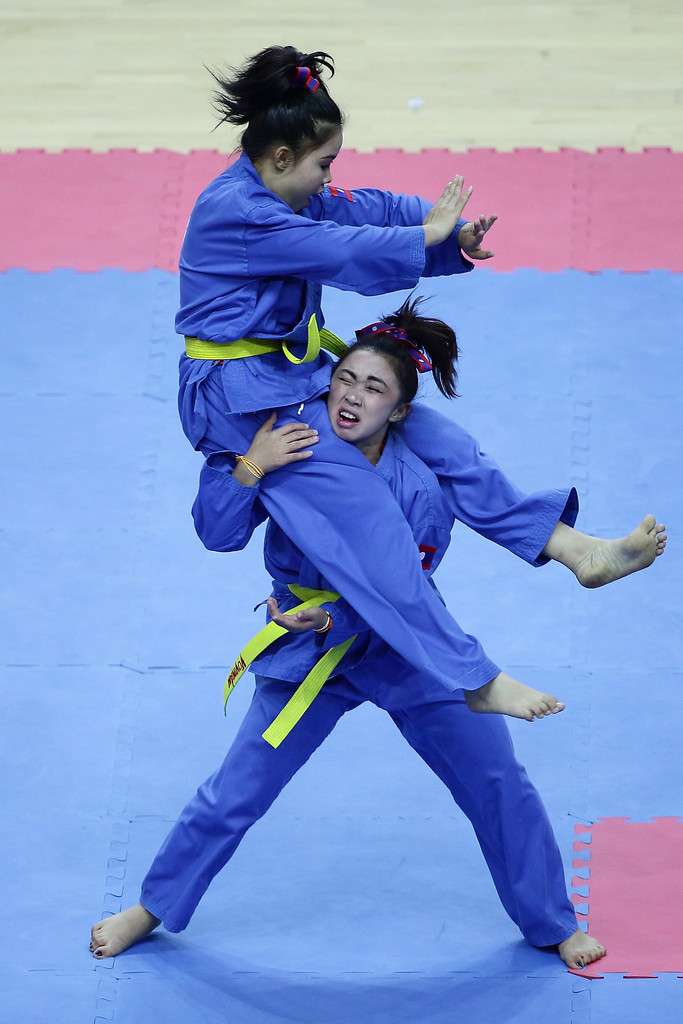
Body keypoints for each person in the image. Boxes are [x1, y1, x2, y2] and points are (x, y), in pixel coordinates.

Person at [91, 300, 664, 966]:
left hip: (412, 648)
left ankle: (552, 922)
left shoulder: (426, 465)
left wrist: (338, 616)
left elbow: (398, 588)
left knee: (499, 781)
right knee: (236, 791)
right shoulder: (294, 442)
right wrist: (251, 463)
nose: (351, 396)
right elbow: (217, 534)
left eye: (373, 388)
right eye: (344, 379)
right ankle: (151, 908)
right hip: (310, 651)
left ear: (398, 411)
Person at [175, 42, 553, 716]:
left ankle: (566, 545)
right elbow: (338, 249)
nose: (330, 178)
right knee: (373, 519)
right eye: (323, 164)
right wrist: (425, 238)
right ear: (282, 157)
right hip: (238, 396)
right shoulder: (242, 213)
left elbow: (359, 209)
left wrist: (448, 236)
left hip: (286, 375)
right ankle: (473, 678)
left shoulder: (280, 187)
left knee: (430, 433)